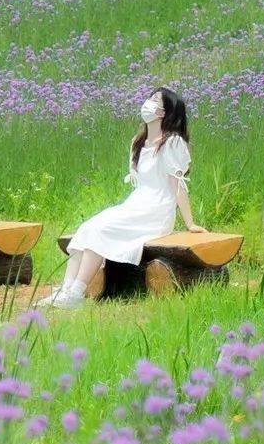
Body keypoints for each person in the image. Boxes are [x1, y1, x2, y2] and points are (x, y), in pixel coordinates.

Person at [44, 85, 203, 308]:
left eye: (155, 100)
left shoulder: (172, 143)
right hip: (136, 205)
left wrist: (190, 222)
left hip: (155, 210)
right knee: (88, 228)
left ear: (164, 112)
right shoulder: (138, 142)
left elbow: (178, 186)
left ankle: (77, 293)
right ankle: (65, 290)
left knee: (100, 231)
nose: (148, 103)